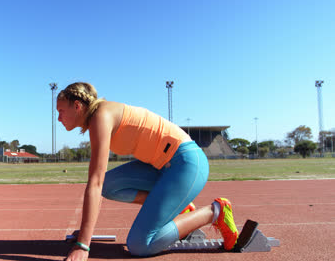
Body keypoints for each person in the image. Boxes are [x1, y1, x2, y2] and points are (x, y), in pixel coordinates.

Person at [57, 82, 238, 261]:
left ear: (77, 106)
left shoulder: (101, 117)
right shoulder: (100, 116)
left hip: (186, 163)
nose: (59, 118)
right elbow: (100, 183)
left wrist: (83, 245)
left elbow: (94, 183)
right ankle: (179, 207)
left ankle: (216, 211)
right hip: (163, 167)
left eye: (61, 111)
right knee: (109, 185)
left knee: (140, 245)